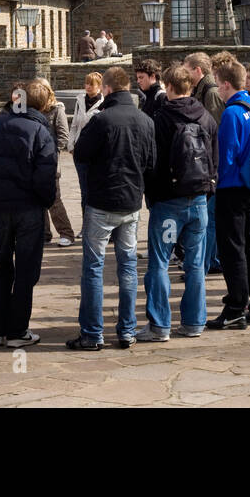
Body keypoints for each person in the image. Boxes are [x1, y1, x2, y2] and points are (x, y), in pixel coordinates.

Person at [68, 66, 156, 350]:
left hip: (102, 203)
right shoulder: (145, 120)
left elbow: (80, 153)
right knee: (128, 268)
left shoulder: (102, 120)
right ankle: (126, 331)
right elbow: (151, 162)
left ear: (106, 89)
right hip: (130, 203)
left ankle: (93, 334)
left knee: (94, 268)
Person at [0, 80, 57, 348]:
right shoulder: (40, 131)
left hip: (2, 208)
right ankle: (18, 330)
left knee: (3, 265)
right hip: (29, 208)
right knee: (26, 270)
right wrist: (44, 202)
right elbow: (46, 176)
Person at [140, 62, 216, 341]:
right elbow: (214, 158)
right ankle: (195, 322)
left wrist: (152, 194)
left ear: (169, 87)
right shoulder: (206, 117)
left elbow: (151, 162)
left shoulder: (160, 120)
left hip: (168, 202)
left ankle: (160, 324)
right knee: (195, 264)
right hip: (198, 200)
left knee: (159, 263)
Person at [208, 60, 250, 330]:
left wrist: (213, 179)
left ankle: (236, 307)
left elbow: (226, 155)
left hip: (232, 187)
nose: (218, 91)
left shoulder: (233, 113)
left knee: (233, 250)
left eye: (217, 84)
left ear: (225, 84)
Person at [184, 52, 225, 274]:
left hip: (211, 164)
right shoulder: (202, 90)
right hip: (207, 163)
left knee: (209, 219)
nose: (186, 73)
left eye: (188, 69)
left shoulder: (210, 92)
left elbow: (214, 130)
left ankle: (209, 262)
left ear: (198, 70)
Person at [36, 78, 77, 247]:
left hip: (50, 162)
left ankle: (66, 232)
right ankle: (44, 233)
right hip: (35, 163)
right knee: (39, 201)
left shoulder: (56, 109)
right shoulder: (32, 109)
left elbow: (63, 136)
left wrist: (50, 152)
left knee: (54, 200)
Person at [69, 71, 105, 204]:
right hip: (80, 150)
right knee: (84, 191)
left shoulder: (104, 102)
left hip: (96, 152)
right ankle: (86, 222)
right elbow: (74, 125)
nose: (88, 86)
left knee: (95, 189)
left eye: (92, 84)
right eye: (86, 83)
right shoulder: (79, 100)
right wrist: (71, 145)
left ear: (99, 86)